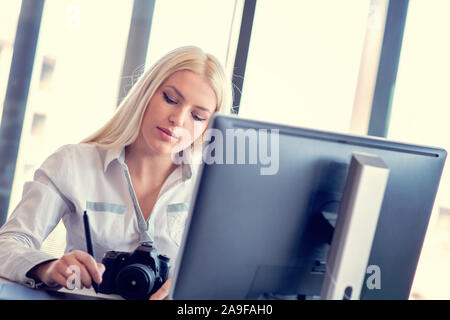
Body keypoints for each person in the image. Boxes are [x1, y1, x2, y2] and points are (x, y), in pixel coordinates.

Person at [0, 46, 233, 300]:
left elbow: (230, 278)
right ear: (146, 93)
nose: (178, 119)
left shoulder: (210, 190)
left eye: (197, 116)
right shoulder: (73, 163)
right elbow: (7, 244)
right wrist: (47, 267)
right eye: (170, 99)